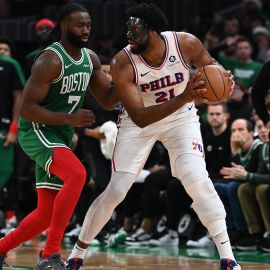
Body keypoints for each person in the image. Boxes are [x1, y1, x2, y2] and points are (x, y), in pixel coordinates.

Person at [67, 3, 240, 270]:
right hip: (140, 123)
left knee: (196, 179)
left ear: (154, 30)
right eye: (128, 29)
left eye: (135, 30)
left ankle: (228, 259)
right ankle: (77, 255)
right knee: (117, 190)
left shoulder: (186, 44)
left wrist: (224, 82)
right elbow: (139, 116)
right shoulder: (123, 62)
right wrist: (185, 96)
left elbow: (213, 69)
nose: (129, 35)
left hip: (180, 119)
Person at [0, 3, 119, 270]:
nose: (86, 29)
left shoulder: (91, 58)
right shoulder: (50, 60)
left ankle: (1, 249)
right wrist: (71, 119)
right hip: (36, 130)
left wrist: (130, 82)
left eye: (89, 24)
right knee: (77, 175)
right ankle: (49, 254)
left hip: (61, 133)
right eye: (80, 24)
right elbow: (27, 109)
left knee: (44, 215)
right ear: (64, 25)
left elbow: (108, 100)